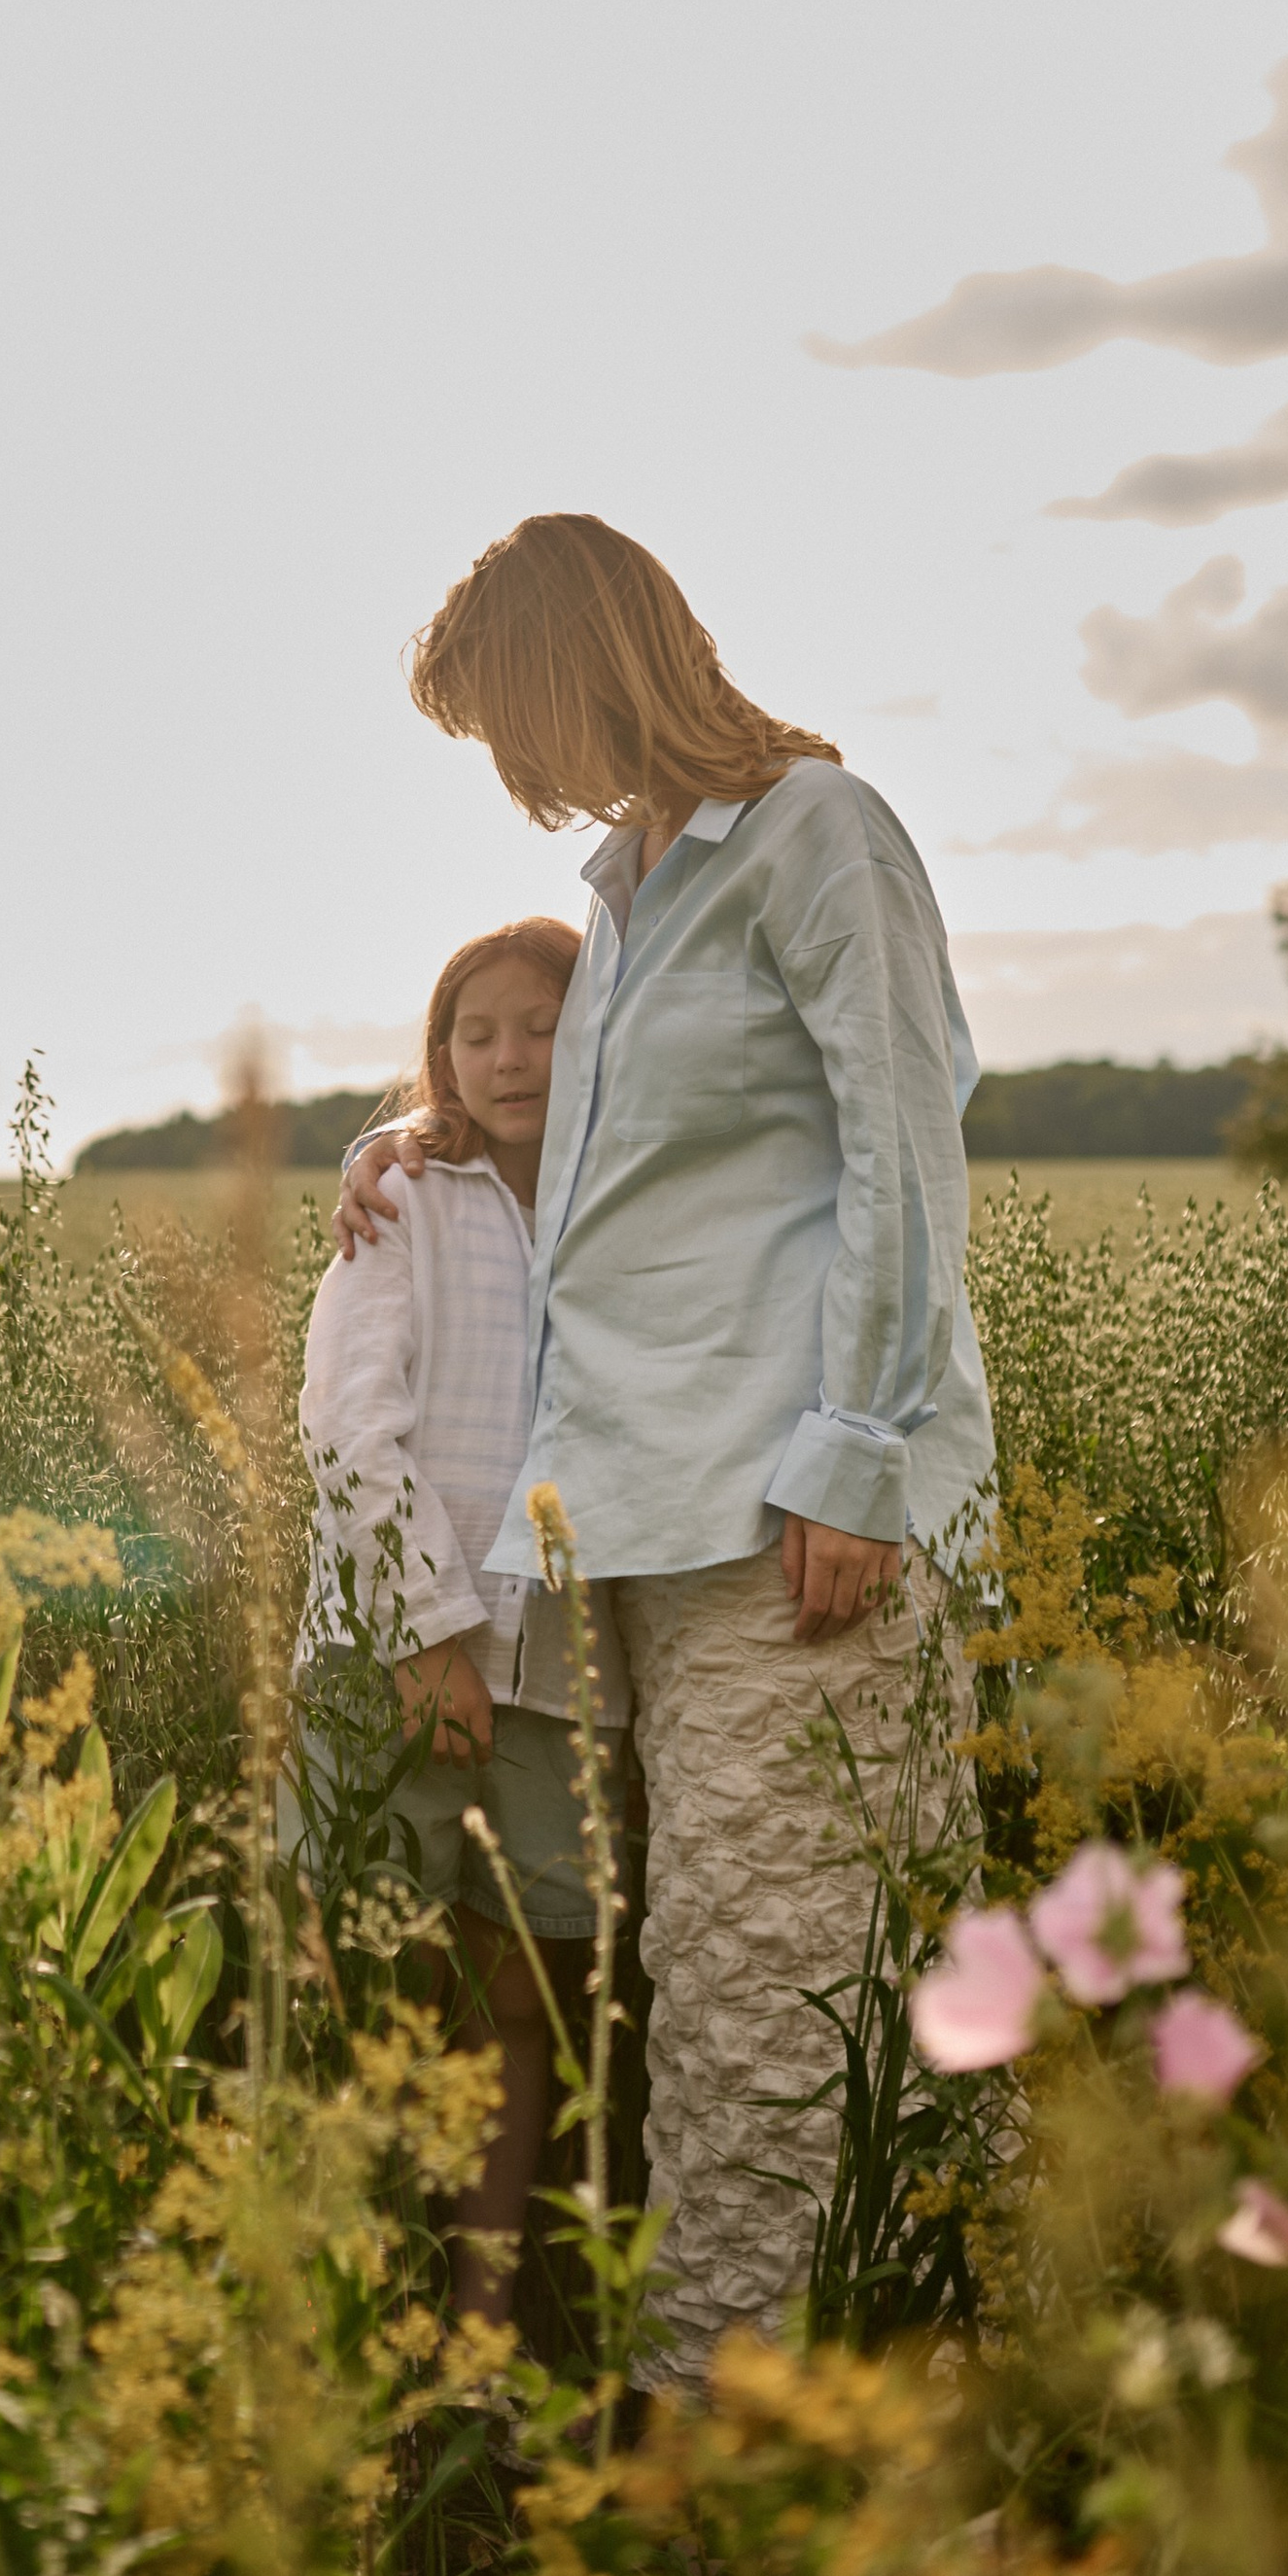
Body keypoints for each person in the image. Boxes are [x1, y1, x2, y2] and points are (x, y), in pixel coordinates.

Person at [334, 513, 992, 2386]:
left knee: (789, 2002)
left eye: (510, 726)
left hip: (792, 1513)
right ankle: (793, 2412)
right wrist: (417, 1153)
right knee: (734, 1996)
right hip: (645, 1527)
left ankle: (761, 2438)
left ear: (582, 669)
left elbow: (900, 1144)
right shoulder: (629, 894)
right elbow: (605, 1181)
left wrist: (860, 1454)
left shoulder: (814, 836)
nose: (517, 780)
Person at [289, 915, 630, 2328]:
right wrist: (429, 1632)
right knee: (376, 2001)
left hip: (562, 1682)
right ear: (438, 1057)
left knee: (517, 2016)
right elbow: (348, 1427)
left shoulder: (635, 1201)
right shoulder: (406, 1202)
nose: (510, 1056)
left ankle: (476, 2343)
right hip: (390, 1665)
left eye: (542, 1025)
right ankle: (355, 2321)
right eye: (476, 1032)